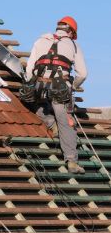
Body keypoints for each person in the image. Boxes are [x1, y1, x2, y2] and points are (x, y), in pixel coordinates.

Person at [22, 16, 88, 174]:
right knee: (66, 121)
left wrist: (33, 84)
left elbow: (29, 70)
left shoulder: (40, 40)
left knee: (28, 100)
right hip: (60, 88)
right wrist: (73, 86)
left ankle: (50, 122)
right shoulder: (73, 44)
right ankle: (71, 161)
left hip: (39, 85)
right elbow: (83, 74)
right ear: (71, 31)